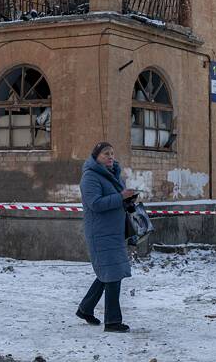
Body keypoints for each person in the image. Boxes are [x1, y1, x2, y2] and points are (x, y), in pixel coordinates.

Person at [77, 141, 137, 333]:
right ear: (96, 157)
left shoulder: (112, 175)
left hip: (114, 232)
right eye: (105, 154)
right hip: (100, 233)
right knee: (113, 274)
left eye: (112, 153)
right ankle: (112, 322)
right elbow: (95, 204)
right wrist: (120, 196)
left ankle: (85, 309)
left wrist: (128, 200)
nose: (110, 157)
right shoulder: (90, 177)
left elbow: (116, 199)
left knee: (108, 273)